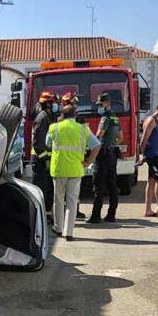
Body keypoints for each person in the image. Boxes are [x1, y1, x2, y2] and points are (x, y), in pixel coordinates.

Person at [47, 103, 101, 241]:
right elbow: (96, 145)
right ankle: (69, 232)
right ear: (75, 116)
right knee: (72, 201)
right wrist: (88, 161)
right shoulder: (83, 129)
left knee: (58, 200)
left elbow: (47, 143)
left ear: (62, 115)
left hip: (58, 169)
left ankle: (58, 228)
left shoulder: (54, 128)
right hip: (76, 169)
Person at [88, 92, 122, 224]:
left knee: (98, 185)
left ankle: (96, 215)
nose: (99, 107)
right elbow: (121, 138)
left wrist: (91, 146)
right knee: (112, 184)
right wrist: (112, 144)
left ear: (107, 103)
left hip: (103, 154)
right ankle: (111, 214)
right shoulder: (115, 117)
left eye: (101, 104)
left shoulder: (105, 118)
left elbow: (98, 135)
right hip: (112, 153)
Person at [139, 100, 158, 217]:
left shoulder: (156, 121)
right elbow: (144, 139)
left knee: (151, 181)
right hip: (152, 155)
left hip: (155, 155)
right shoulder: (151, 121)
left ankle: (148, 210)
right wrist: (143, 155)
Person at [60, 92, 88, 219]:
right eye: (74, 104)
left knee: (72, 191)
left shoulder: (76, 119)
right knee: (66, 192)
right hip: (69, 159)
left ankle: (74, 211)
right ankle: (68, 213)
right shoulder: (61, 120)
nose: (76, 106)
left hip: (72, 159)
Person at [31, 91, 58, 216]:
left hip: (46, 159)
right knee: (41, 189)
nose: (56, 105)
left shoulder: (48, 117)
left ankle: (46, 214)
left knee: (48, 190)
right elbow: (38, 143)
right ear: (48, 104)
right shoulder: (42, 118)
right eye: (54, 103)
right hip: (41, 161)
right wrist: (45, 159)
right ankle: (39, 216)